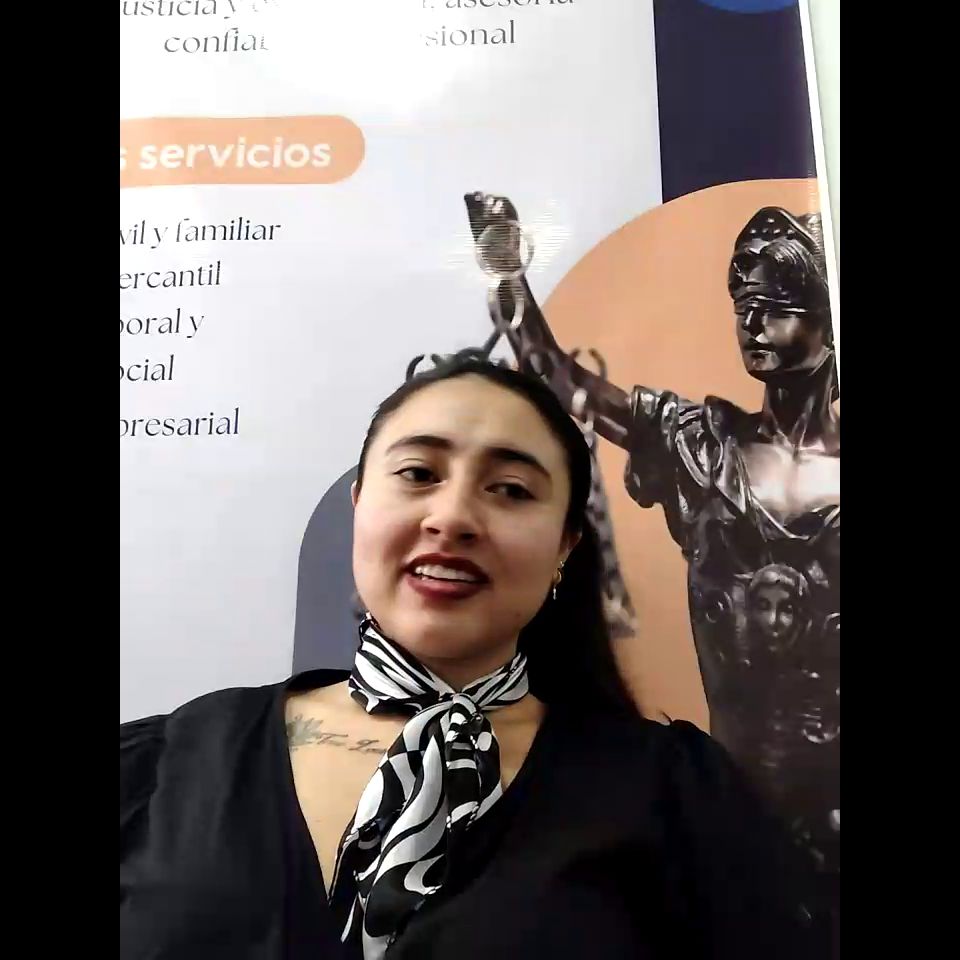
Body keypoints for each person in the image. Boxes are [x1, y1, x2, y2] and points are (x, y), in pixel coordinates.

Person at [120, 355, 827, 959]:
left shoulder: (671, 794)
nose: (453, 517)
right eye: (418, 473)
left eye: (511, 490)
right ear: (360, 505)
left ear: (565, 546)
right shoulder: (171, 762)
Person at [464, 192, 840, 910]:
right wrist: (508, 280)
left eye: (777, 306)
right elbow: (560, 379)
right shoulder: (700, 446)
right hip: (730, 813)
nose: (752, 324)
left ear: (828, 314)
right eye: (743, 305)